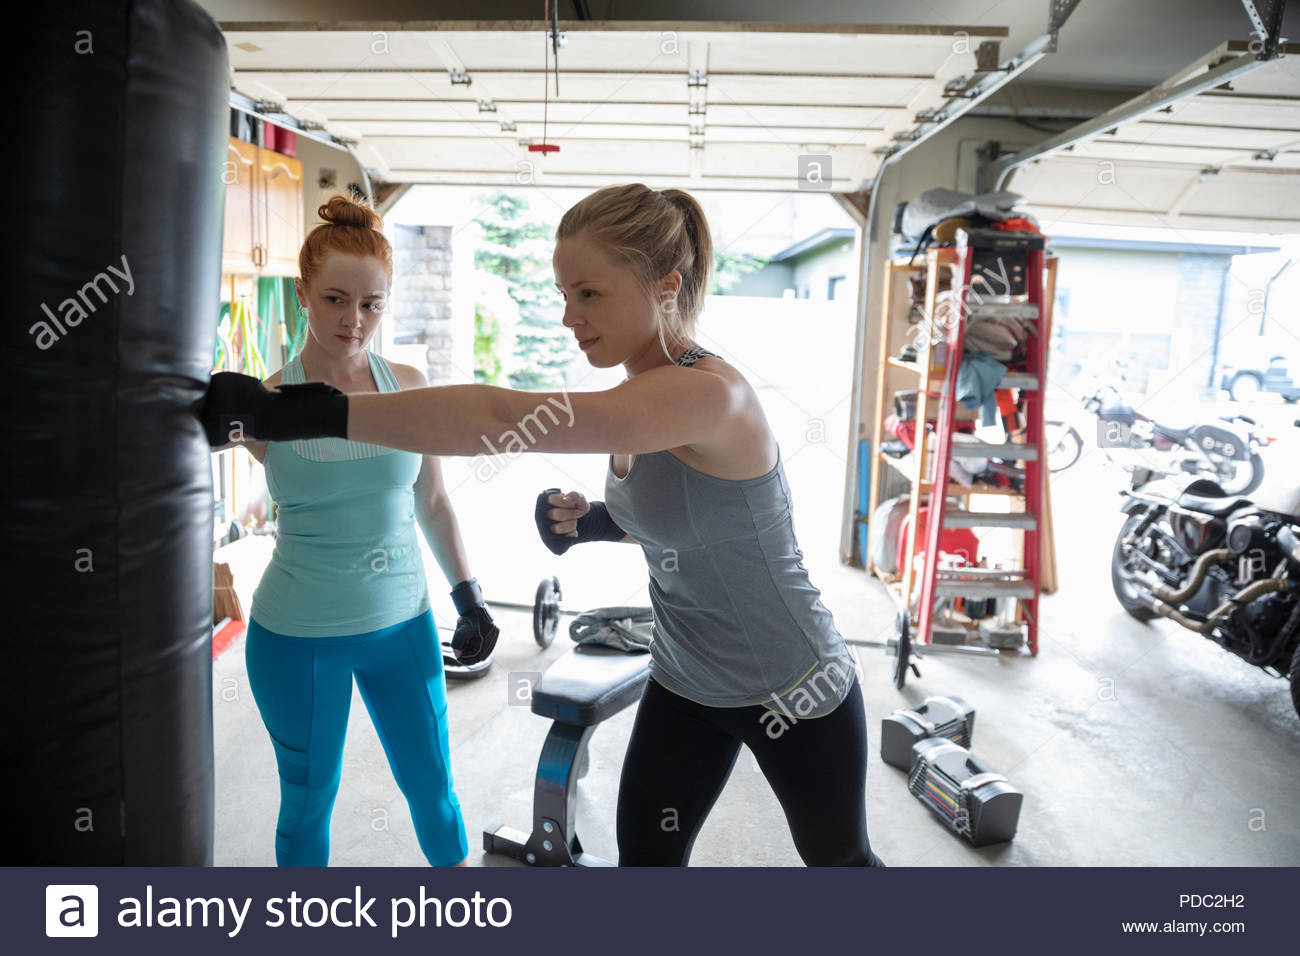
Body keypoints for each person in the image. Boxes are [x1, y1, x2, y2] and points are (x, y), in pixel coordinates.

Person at [199, 183, 884, 867]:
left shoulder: (708, 394)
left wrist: (292, 413)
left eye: (589, 294)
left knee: (840, 867)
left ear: (666, 286)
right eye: (564, 294)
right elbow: (697, 518)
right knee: (646, 865)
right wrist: (599, 524)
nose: (568, 317)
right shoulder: (636, 395)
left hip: (791, 680)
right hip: (687, 677)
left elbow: (497, 420)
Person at [212, 196, 499, 867]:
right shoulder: (264, 403)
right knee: (309, 801)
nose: (354, 321)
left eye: (372, 305)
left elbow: (430, 499)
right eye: (337, 300)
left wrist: (469, 595)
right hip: (296, 640)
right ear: (304, 294)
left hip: (404, 624)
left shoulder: (406, 385)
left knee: (433, 789)